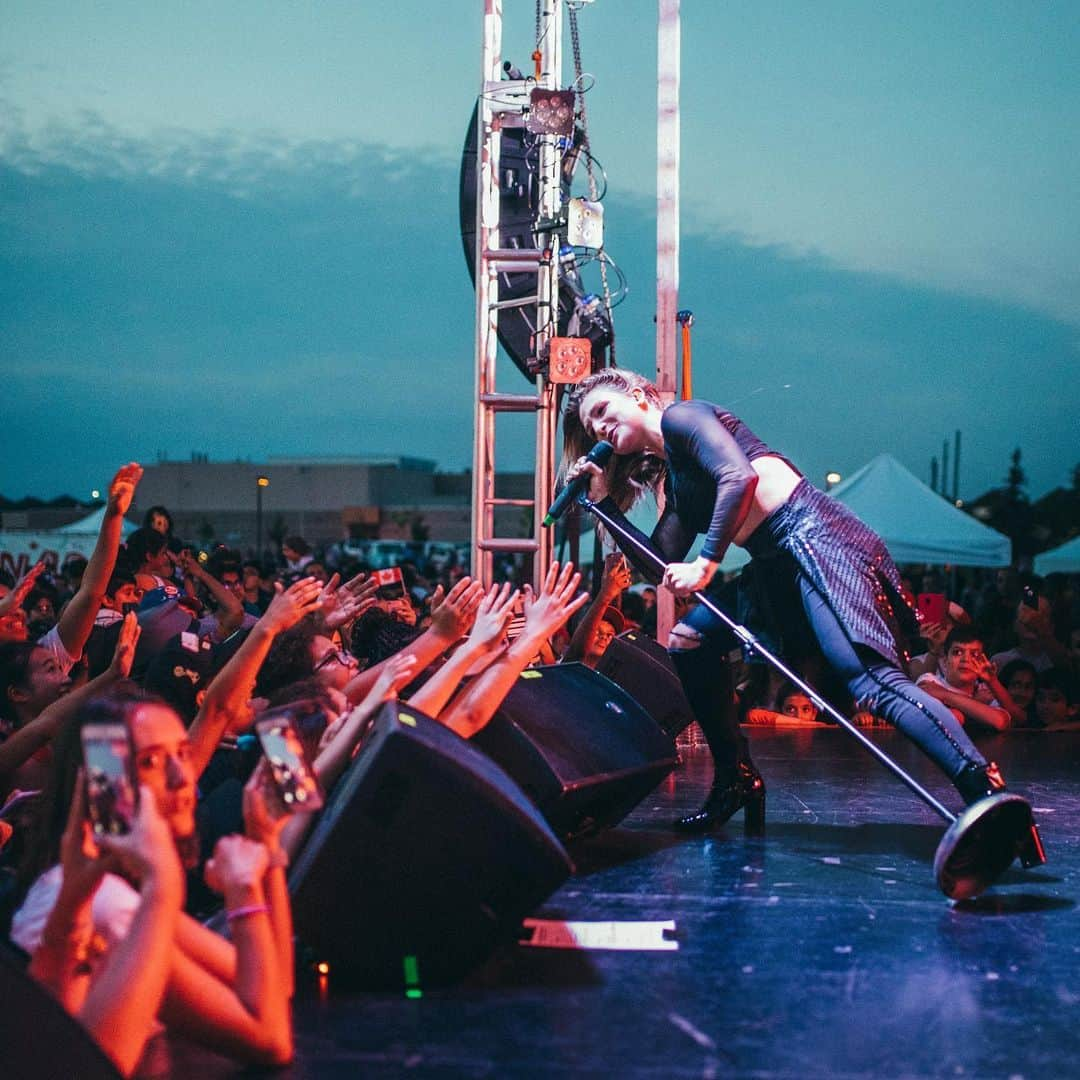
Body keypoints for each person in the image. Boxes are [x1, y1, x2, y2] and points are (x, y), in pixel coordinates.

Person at [560, 368, 1031, 840]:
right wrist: (602, 504)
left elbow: (737, 476)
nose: (598, 427)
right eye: (590, 425)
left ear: (640, 396)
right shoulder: (680, 482)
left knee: (869, 679)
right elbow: (658, 562)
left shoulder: (684, 417)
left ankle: (983, 789)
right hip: (774, 562)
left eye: (602, 411)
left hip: (813, 535)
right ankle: (735, 780)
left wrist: (708, 561)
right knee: (689, 640)